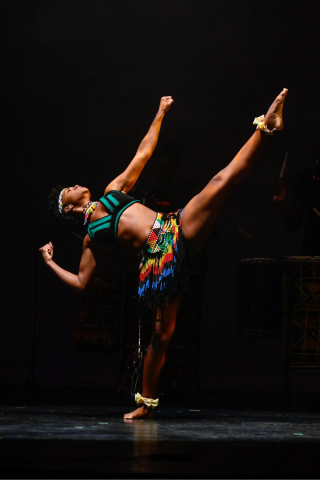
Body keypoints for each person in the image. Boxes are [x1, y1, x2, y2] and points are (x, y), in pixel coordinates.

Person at [40, 89, 288, 419]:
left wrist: (159, 114)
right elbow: (82, 282)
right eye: (68, 190)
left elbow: (143, 153)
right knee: (161, 335)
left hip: (174, 227)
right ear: (69, 207)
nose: (74, 185)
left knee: (220, 181)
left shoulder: (112, 190)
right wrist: (50, 262)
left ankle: (266, 126)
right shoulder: (91, 238)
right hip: (159, 260)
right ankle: (145, 403)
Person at [274, 129, 320, 254]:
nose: (316, 153)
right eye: (312, 147)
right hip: (313, 253)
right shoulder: (305, 180)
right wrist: (281, 200)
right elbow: (292, 223)